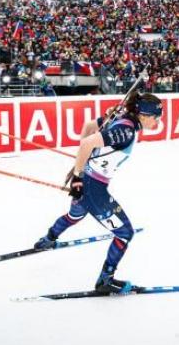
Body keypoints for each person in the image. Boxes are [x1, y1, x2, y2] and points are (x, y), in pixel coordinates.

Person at [33, 92, 163, 294]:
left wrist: (82, 164)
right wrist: (77, 175)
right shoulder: (125, 131)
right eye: (156, 117)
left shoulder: (122, 119)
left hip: (88, 179)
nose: (157, 122)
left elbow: (88, 128)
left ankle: (48, 239)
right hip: (93, 187)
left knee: (75, 215)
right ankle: (105, 280)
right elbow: (87, 143)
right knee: (125, 232)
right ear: (144, 114)